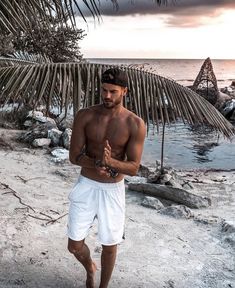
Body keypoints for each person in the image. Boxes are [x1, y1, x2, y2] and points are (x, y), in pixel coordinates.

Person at [67, 67, 146, 288]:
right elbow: (74, 156)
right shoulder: (85, 115)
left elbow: (133, 167)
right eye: (103, 90)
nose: (106, 96)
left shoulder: (135, 124)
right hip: (86, 186)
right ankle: (90, 266)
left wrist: (111, 163)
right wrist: (97, 163)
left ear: (125, 92)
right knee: (74, 245)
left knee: (110, 244)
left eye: (113, 91)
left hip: (113, 191)